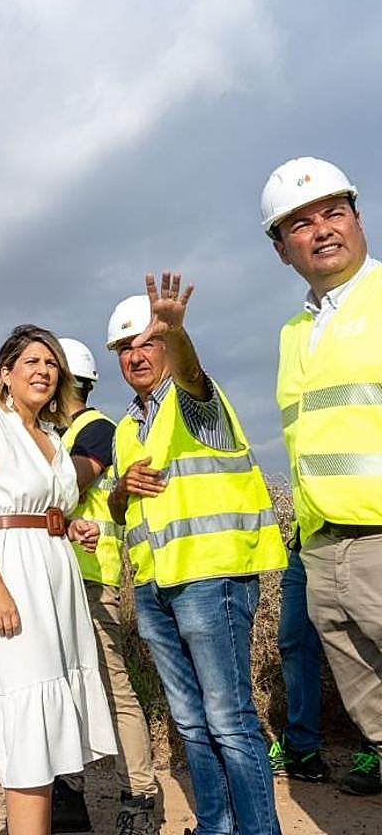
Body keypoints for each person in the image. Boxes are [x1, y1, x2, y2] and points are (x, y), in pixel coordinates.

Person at [107, 273, 286, 835]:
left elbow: (193, 374)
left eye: (147, 342)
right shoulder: (125, 429)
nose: (137, 355)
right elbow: (119, 511)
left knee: (229, 721)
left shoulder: (193, 401)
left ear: (166, 345)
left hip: (213, 579)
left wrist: (179, 333)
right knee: (189, 721)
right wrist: (119, 491)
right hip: (157, 587)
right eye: (125, 347)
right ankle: (216, 827)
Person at [0, 325, 116, 835]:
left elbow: (49, 509)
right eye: (32, 362)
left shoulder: (52, 439)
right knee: (27, 724)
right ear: (6, 374)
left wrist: (72, 525)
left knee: (42, 730)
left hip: (54, 583)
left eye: (52, 364)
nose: (44, 371)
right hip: (11, 578)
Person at [261, 156, 382, 796]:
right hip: (323, 547)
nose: (322, 230)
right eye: (300, 224)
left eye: (334, 212)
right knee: (375, 718)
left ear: (359, 219)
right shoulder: (293, 332)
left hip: (379, 540)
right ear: (283, 250)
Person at [50, 337, 157, 835]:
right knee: (64, 690)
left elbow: (65, 488)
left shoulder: (95, 431)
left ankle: (140, 794)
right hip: (60, 579)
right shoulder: (58, 436)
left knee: (114, 690)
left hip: (91, 579)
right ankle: (69, 797)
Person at [269, 523, 331, 782]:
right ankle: (301, 748)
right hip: (307, 546)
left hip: (366, 540)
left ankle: (375, 747)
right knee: (295, 643)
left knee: (368, 647)